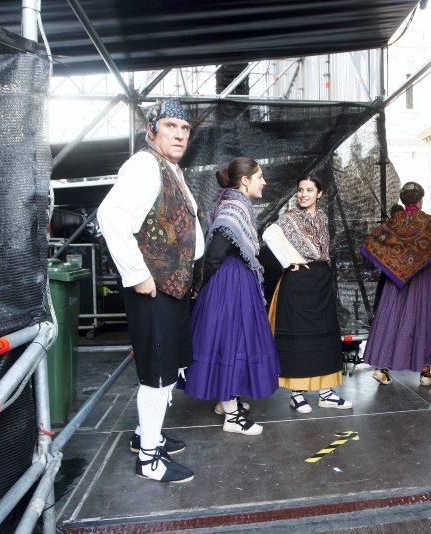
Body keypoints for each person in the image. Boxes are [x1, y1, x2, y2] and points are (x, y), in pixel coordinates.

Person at [98, 98, 202, 483]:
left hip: (170, 288)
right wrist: (137, 274)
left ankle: (146, 434)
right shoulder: (145, 164)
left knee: (168, 368)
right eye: (171, 126)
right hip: (153, 287)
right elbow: (110, 216)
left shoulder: (169, 168)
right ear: (152, 130)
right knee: (156, 375)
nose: (178, 134)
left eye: (185, 128)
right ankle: (149, 459)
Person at [185, 157, 280, 435]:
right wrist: (206, 289)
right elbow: (215, 253)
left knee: (232, 343)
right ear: (245, 180)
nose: (265, 182)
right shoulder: (235, 205)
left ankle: (228, 401)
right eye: (260, 176)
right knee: (231, 342)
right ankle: (232, 417)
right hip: (230, 283)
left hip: (234, 281)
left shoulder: (234, 204)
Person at [262, 177, 352, 414]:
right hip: (298, 283)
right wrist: (290, 260)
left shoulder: (322, 217)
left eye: (309, 190)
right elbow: (268, 235)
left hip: (321, 281)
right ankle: (296, 395)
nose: (303, 194)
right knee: (299, 337)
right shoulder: (290, 217)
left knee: (324, 336)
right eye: (300, 190)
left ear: (319, 194)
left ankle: (326, 393)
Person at [361, 182, 431, 386]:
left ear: (402, 200)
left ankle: (381, 369)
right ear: (421, 200)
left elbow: (371, 242)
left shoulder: (393, 223)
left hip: (397, 283)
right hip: (427, 280)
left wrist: (396, 263)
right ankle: (425, 373)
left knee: (392, 321)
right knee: (427, 322)